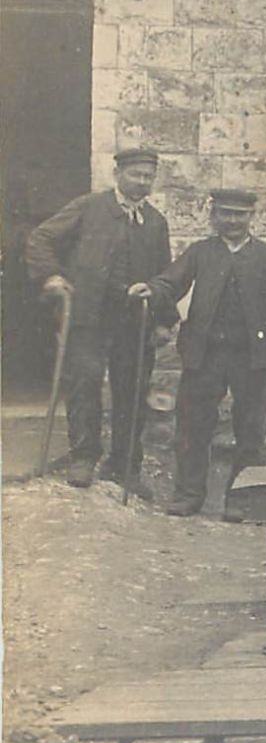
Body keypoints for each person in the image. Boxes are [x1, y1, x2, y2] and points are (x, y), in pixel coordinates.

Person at [131, 189, 266, 517]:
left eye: (239, 214)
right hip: (205, 354)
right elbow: (171, 281)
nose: (232, 220)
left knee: (251, 429)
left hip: (253, 357)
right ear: (213, 216)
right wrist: (154, 289)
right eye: (225, 213)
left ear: (251, 217)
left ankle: (240, 499)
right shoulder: (201, 252)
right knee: (192, 426)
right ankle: (189, 494)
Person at [27, 148, 174, 497]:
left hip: (134, 320)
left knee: (133, 392)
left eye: (147, 176)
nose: (142, 182)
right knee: (84, 385)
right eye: (136, 174)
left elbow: (164, 274)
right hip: (90, 316)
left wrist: (163, 320)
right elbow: (41, 238)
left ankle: (125, 466)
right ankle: (83, 458)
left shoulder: (155, 222)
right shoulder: (89, 207)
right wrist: (51, 276)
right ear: (118, 174)